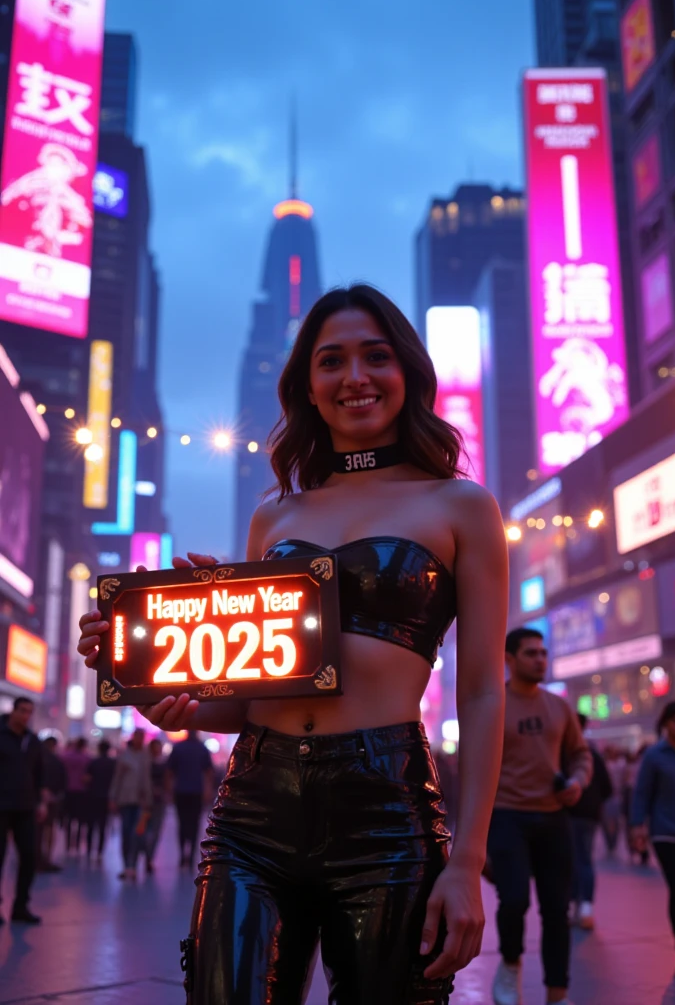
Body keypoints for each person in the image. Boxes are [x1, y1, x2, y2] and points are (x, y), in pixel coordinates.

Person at [77, 284, 508, 1004]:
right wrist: (157, 687)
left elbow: (485, 688)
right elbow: (245, 704)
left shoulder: (460, 504)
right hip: (253, 811)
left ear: (406, 371)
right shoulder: (275, 513)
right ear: (308, 385)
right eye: (331, 361)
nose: (355, 378)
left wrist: (468, 861)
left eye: (375, 356)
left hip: (386, 815)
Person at [488, 628, 592, 1005]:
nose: (540, 660)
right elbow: (475, 766)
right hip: (506, 815)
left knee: (556, 910)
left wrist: (578, 782)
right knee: (513, 901)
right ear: (510, 659)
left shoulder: (559, 707)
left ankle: (557, 993)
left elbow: (581, 755)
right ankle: (510, 966)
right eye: (531, 653)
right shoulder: (493, 703)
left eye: (543, 653)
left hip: (552, 818)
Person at [630, 701, 675, 983]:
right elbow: (641, 793)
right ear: (666, 723)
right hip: (666, 833)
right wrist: (637, 826)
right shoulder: (654, 756)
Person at [0, 697, 48, 923]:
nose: (26, 716)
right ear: (13, 711)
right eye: (22, 711)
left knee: (29, 857)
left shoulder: (33, 741)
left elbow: (39, 774)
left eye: (30, 712)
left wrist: (41, 801)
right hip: (1, 806)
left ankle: (20, 907)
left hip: (26, 807)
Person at [568, 713, 612, 931]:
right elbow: (608, 788)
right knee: (584, 859)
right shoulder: (594, 754)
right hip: (589, 817)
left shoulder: (565, 754)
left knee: (573, 860)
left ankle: (576, 905)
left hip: (570, 815)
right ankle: (585, 907)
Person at [109, 730, 153, 881]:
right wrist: (113, 798)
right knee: (126, 833)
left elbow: (147, 779)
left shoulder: (146, 756)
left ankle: (132, 865)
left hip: (141, 801)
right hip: (125, 799)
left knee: (137, 833)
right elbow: (117, 778)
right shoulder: (124, 756)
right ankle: (126, 866)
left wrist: (148, 799)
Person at [167, 730, 214, 868]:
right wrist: (207, 791)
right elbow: (209, 772)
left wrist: (169, 791)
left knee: (182, 823)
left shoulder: (178, 748)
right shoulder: (202, 749)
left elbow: (169, 771)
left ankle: (182, 855)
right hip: (196, 792)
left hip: (180, 791)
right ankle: (191, 854)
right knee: (194, 824)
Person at [37, 735, 66, 873]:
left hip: (36, 800)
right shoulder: (57, 761)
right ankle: (47, 858)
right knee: (49, 829)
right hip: (53, 800)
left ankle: (35, 858)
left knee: (36, 830)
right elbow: (63, 781)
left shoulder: (36, 760)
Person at [85, 740, 116, 862]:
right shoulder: (112, 763)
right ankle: (99, 852)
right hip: (106, 797)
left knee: (91, 825)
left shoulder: (93, 762)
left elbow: (87, 779)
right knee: (103, 826)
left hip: (93, 796)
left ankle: (88, 851)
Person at [61, 736, 91, 853]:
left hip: (68, 791)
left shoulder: (65, 757)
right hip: (82, 792)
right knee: (79, 820)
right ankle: (77, 844)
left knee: (68, 819)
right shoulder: (87, 759)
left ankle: (68, 844)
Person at [144, 738, 167, 873]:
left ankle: (150, 857)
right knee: (144, 829)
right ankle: (145, 854)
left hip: (159, 801)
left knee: (156, 830)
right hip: (146, 800)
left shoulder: (164, 763)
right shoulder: (146, 763)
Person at [600, 745, 626, 857]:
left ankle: (612, 842)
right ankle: (610, 842)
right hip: (607, 797)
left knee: (615, 822)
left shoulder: (620, 765)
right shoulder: (605, 765)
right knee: (606, 822)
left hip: (615, 796)